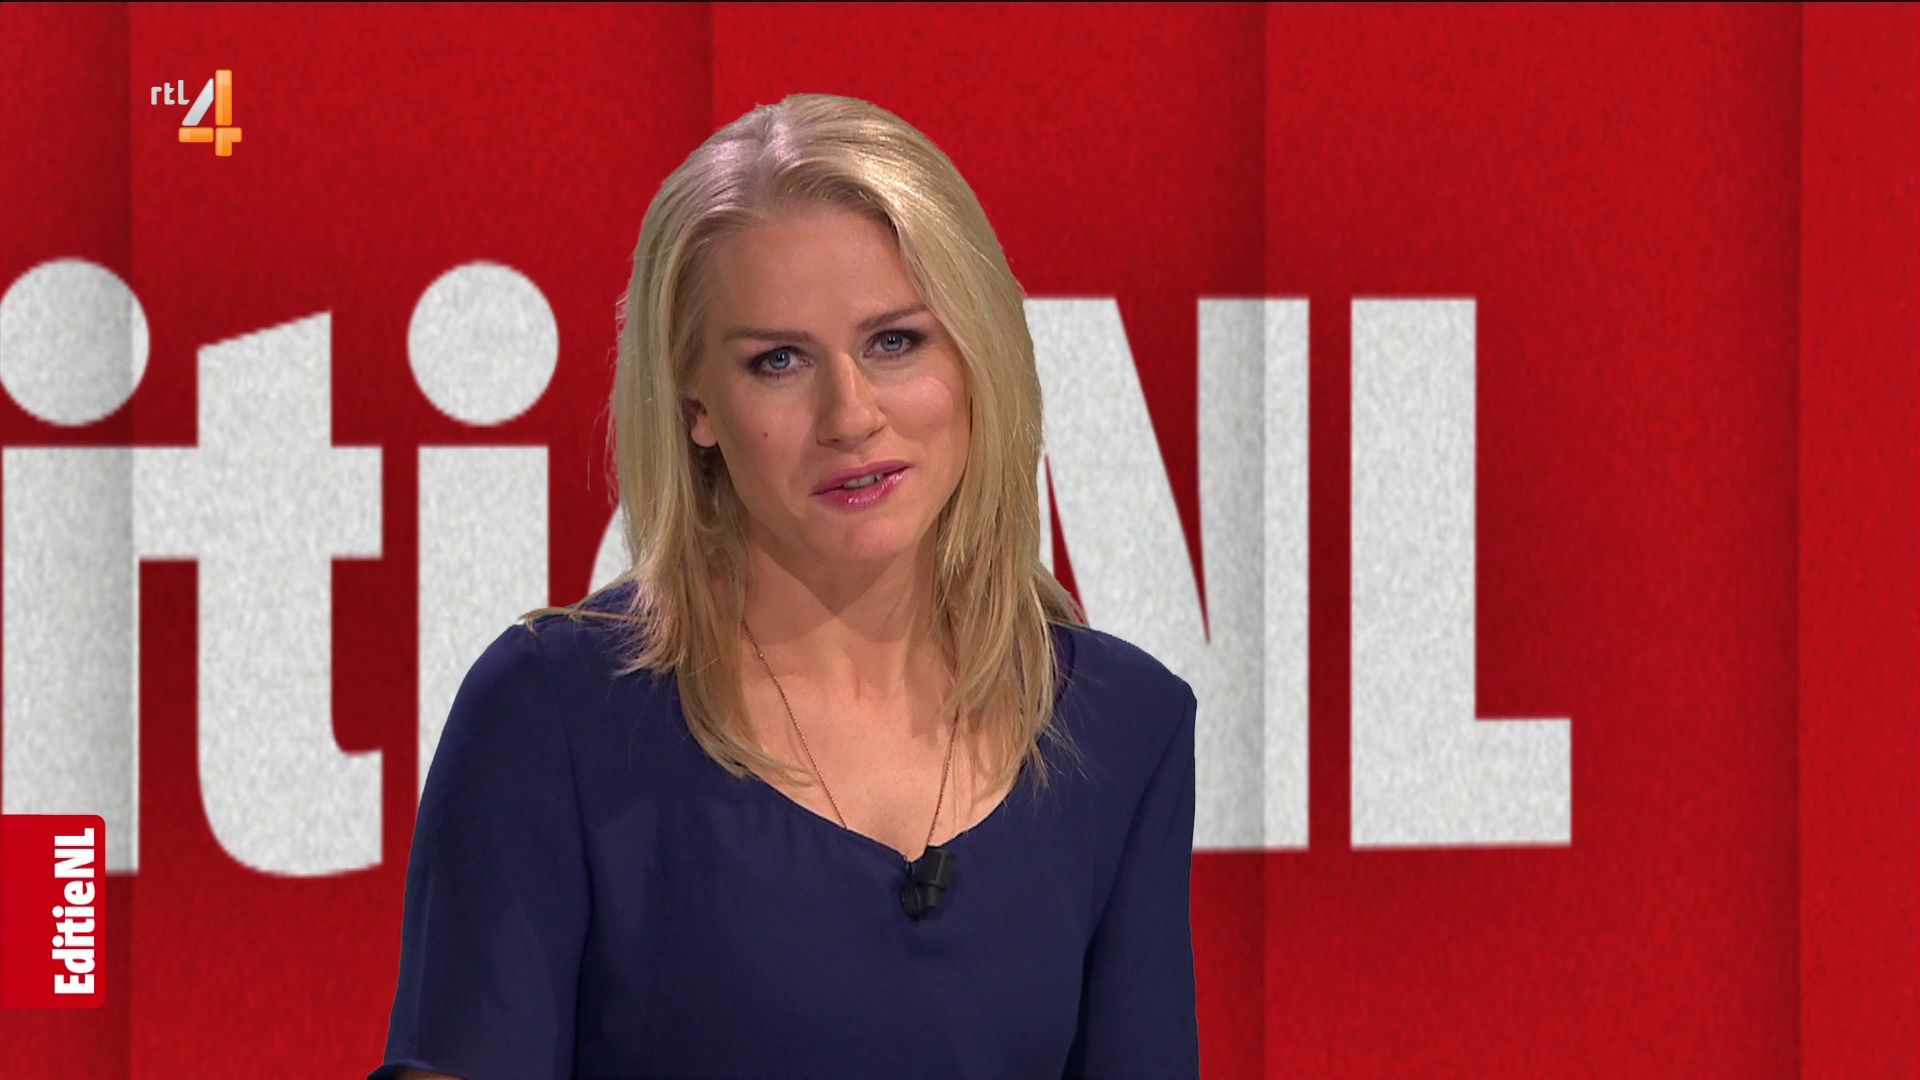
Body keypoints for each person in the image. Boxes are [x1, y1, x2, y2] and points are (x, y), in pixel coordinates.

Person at [368, 92, 1199, 1080]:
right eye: (778, 361)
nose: (850, 415)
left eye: (896, 342)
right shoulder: (554, 714)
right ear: (697, 407)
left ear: (979, 354)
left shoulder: (1120, 724)